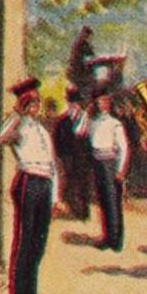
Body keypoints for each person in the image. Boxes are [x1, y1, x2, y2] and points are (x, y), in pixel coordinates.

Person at [0, 78, 57, 294]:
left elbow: (52, 164)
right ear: (23, 106)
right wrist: (16, 115)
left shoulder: (42, 129)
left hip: (44, 183)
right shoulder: (19, 126)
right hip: (28, 182)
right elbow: (1, 137)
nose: (34, 108)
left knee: (38, 243)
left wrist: (54, 196)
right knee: (24, 241)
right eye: (30, 104)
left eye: (36, 104)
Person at [87, 77, 129, 252]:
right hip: (98, 163)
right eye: (100, 101)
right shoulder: (93, 122)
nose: (103, 104)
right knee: (103, 201)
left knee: (113, 202)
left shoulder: (115, 123)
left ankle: (115, 240)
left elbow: (124, 148)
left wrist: (120, 170)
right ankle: (107, 236)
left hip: (110, 163)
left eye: (106, 101)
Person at [53, 87, 93, 221]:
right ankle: (74, 210)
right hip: (68, 157)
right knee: (70, 184)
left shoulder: (86, 119)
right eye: (72, 103)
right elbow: (57, 140)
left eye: (76, 103)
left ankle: (84, 212)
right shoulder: (62, 121)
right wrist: (62, 156)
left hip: (83, 159)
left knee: (84, 184)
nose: (74, 106)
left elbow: (90, 140)